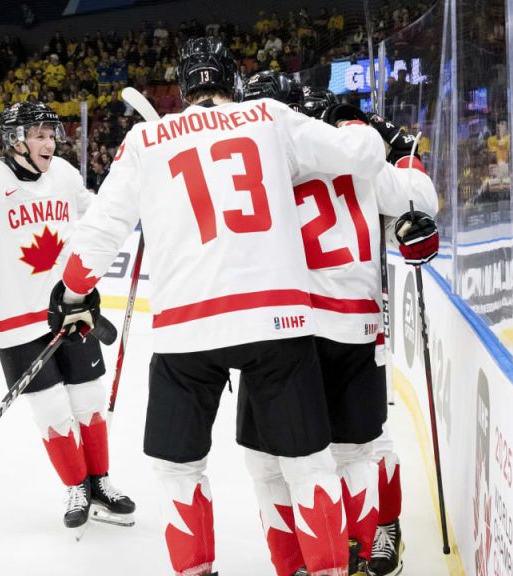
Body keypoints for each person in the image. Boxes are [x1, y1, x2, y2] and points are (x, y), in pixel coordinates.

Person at [46, 38, 388, 576]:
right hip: (276, 320)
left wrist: (72, 294)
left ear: (184, 87)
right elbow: (363, 157)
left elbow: (101, 231)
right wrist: (355, 122)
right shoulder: (270, 116)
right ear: (234, 80)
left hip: (187, 328)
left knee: (179, 471)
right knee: (308, 465)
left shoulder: (145, 139)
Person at [239, 74, 439, 576]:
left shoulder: (259, 161)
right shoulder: (356, 149)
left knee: (285, 459)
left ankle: (322, 555)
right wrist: (404, 153)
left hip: (290, 325)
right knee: (360, 447)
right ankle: (366, 543)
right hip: (350, 324)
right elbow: (420, 202)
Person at [0, 100, 136, 531]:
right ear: (16, 140)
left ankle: (100, 482)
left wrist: (131, 204)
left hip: (68, 305)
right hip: (14, 318)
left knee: (89, 400)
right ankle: (76, 486)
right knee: (52, 411)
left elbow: (93, 210)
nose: (49, 143)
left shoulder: (64, 174)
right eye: (39, 136)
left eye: (52, 135)